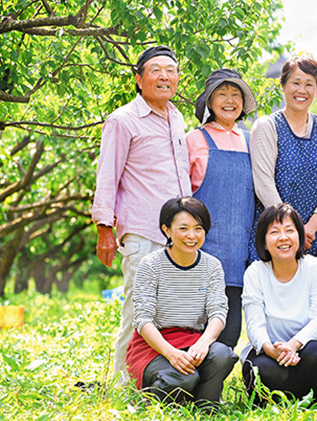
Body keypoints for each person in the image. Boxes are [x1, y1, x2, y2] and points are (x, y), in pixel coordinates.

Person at [91, 45, 192, 384]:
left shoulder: (177, 118)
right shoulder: (123, 120)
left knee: (169, 312)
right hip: (143, 232)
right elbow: (107, 176)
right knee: (139, 308)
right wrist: (104, 228)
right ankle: (122, 382)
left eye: (171, 70)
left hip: (178, 236)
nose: (164, 76)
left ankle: (152, 377)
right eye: (155, 70)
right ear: (139, 78)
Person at [125, 197, 237, 405]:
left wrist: (204, 342)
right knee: (184, 377)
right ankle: (149, 402)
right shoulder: (150, 265)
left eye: (198, 228)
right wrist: (171, 353)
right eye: (183, 228)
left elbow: (218, 312)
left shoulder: (212, 266)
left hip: (192, 340)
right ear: (166, 230)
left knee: (222, 355)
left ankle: (206, 408)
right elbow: (142, 319)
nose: (192, 236)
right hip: (153, 346)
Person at [250, 53, 317, 285]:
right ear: (282, 86)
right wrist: (291, 231)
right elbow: (264, 184)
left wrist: (309, 228)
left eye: (309, 84)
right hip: (277, 235)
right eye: (296, 83)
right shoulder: (267, 126)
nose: (302, 90)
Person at [187, 69, 257, 349]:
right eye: (222, 94)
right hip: (199, 253)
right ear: (208, 102)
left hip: (238, 253)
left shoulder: (252, 140)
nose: (230, 100)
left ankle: (212, 390)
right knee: (193, 328)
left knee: (229, 332)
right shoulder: (194, 139)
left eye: (236, 94)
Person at [241, 204, 317, 402]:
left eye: (290, 230)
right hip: (267, 352)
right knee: (258, 369)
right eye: (274, 232)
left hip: (303, 352)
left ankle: (306, 399)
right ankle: (271, 401)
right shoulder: (255, 272)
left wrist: (292, 345)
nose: (283, 237)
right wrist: (272, 351)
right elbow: (255, 325)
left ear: (299, 236)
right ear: (264, 242)